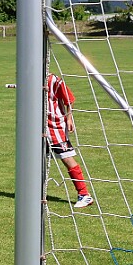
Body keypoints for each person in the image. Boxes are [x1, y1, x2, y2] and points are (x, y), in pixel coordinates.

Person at [47, 73, 94, 208]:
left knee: (66, 158)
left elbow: (69, 98)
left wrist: (69, 118)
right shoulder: (30, 77)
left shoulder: (54, 80)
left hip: (55, 126)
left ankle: (84, 194)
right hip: (37, 126)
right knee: (37, 160)